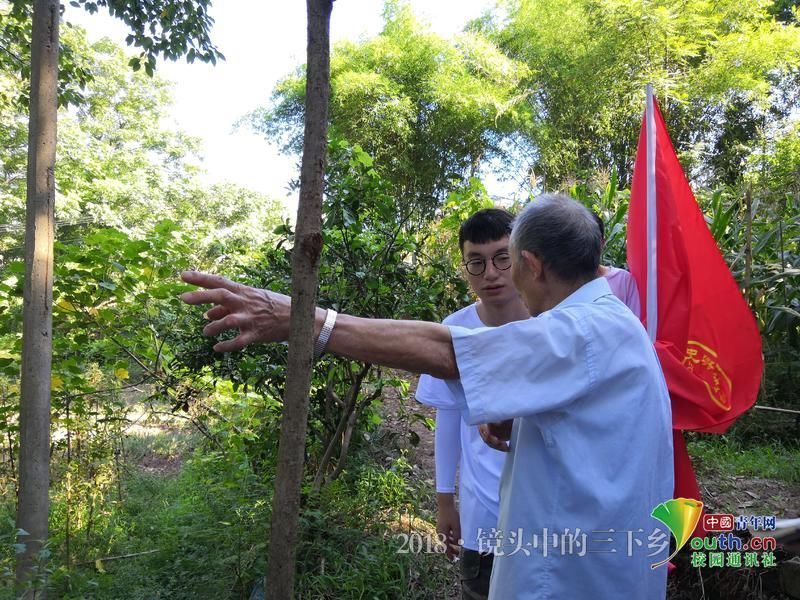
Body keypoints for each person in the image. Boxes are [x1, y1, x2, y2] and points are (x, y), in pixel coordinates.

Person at [180, 193, 674, 599]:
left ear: (530, 264)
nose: (500, 278)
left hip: (574, 578)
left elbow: (447, 350)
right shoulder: (612, 324)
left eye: (507, 263)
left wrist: (302, 319)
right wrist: (522, 422)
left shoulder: (580, 331)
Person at [415, 208, 529, 599]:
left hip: (548, 517)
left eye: (502, 258)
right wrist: (445, 499)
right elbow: (448, 420)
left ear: (522, 256)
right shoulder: (453, 330)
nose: (491, 274)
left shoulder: (551, 325)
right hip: (484, 517)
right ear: (464, 268)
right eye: (476, 263)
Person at [591, 211, 641, 318]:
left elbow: (636, 323)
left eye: (590, 241)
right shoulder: (561, 281)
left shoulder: (623, 280)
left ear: (602, 243)